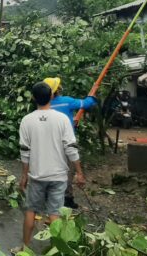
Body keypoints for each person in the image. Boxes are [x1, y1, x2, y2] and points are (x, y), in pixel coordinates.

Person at [18, 82, 86, 247]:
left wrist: (24, 175)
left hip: (37, 176)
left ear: (33, 98)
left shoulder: (27, 121)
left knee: (31, 211)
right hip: (58, 176)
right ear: (51, 96)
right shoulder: (62, 119)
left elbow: (25, 152)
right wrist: (79, 172)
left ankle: (25, 249)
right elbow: (71, 149)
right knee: (54, 213)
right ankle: (56, 250)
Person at [43, 77, 97, 209]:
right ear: (58, 89)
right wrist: (92, 95)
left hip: (48, 143)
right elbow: (87, 104)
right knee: (67, 170)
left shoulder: (43, 106)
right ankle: (67, 199)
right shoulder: (66, 102)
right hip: (65, 142)